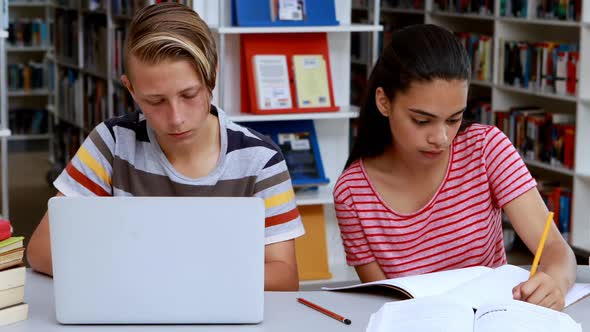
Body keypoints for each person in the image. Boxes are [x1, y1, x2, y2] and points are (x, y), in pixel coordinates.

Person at [26, 2, 304, 291]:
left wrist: (166, 273)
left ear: (212, 76)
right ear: (130, 89)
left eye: (189, 94)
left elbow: (284, 277)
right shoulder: (112, 142)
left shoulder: (260, 159)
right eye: (155, 101)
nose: (176, 118)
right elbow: (42, 250)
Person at [333, 24, 576, 310]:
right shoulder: (352, 192)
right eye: (422, 121)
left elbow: (556, 250)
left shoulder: (486, 148)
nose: (441, 138)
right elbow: (383, 302)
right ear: (384, 102)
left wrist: (554, 283)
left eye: (454, 119)